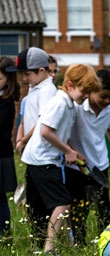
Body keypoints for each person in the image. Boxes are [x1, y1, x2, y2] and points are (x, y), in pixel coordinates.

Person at [20, 63, 100, 255]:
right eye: (84, 91)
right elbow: (46, 131)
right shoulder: (60, 103)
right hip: (42, 160)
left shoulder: (69, 104)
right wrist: (67, 151)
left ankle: (67, 245)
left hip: (43, 159)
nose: (86, 96)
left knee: (52, 204)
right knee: (63, 203)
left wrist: (73, 150)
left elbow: (60, 132)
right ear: (70, 85)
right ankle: (50, 248)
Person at [67, 69, 110, 246]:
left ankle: (106, 241)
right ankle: (79, 243)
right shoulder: (76, 107)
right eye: (103, 96)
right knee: (79, 208)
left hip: (100, 164)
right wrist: (73, 151)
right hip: (78, 166)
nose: (107, 101)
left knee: (103, 207)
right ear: (91, 90)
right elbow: (65, 132)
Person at [9, 47, 58, 237]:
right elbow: (25, 116)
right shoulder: (34, 88)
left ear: (42, 71)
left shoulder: (48, 91)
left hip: (43, 154)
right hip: (32, 153)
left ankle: (45, 240)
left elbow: (41, 121)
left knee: (42, 204)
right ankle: (36, 239)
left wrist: (23, 141)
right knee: (33, 203)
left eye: (27, 74)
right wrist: (20, 138)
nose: (24, 78)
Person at [0, 57, 21, 238]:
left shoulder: (5, 102)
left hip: (1, 155)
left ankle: (5, 236)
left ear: (8, 80)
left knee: (0, 199)